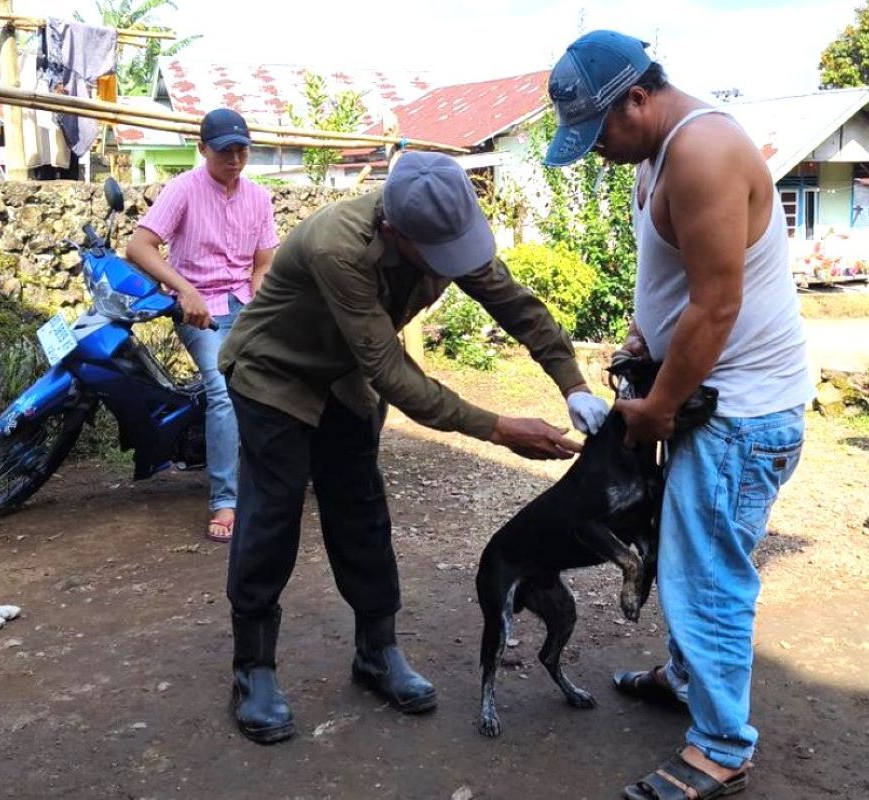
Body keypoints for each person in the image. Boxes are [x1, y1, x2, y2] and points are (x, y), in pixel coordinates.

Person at [216, 150, 611, 744]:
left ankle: (377, 652)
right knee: (272, 517)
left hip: (343, 380)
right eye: (437, 255)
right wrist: (499, 428)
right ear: (394, 231)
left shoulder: (444, 230)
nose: (453, 265)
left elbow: (515, 305)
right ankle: (253, 669)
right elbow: (392, 373)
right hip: (275, 376)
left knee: (363, 513)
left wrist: (573, 384)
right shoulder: (337, 247)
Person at [544, 30, 814, 799]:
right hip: (708, 402)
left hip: (738, 415)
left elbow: (719, 303)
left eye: (600, 133)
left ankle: (723, 747)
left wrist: (658, 406)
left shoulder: (702, 153)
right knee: (683, 552)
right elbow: (680, 276)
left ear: (639, 96)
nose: (596, 151)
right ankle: (686, 675)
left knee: (709, 577)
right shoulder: (653, 152)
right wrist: (646, 335)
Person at [127, 108, 279, 544]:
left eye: (242, 150)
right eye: (224, 151)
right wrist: (184, 289)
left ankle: (282, 474)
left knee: (282, 377)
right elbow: (140, 245)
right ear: (202, 149)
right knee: (223, 388)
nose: (234, 159)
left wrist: (263, 304)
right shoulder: (184, 189)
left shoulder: (258, 197)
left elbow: (264, 263)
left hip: (245, 305)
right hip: (199, 309)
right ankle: (226, 500)